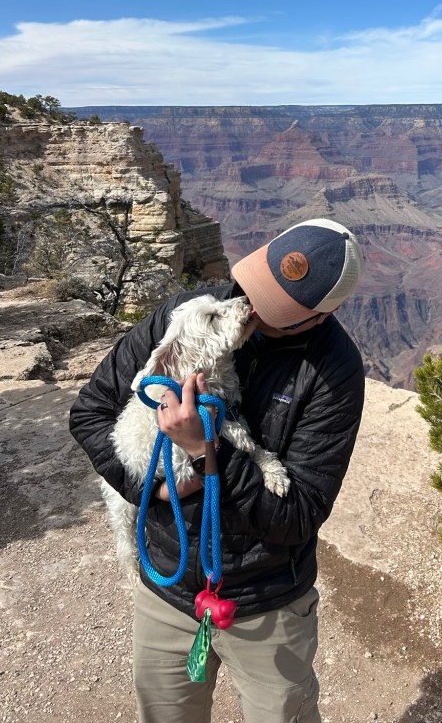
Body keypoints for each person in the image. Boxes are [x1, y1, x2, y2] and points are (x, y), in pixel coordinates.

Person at [69, 218, 366, 723]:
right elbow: (90, 413)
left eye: (275, 310)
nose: (250, 308)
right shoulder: (186, 318)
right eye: (258, 287)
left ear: (321, 315)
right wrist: (154, 490)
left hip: (266, 601)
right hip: (169, 587)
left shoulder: (333, 372)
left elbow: (297, 515)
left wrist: (206, 451)